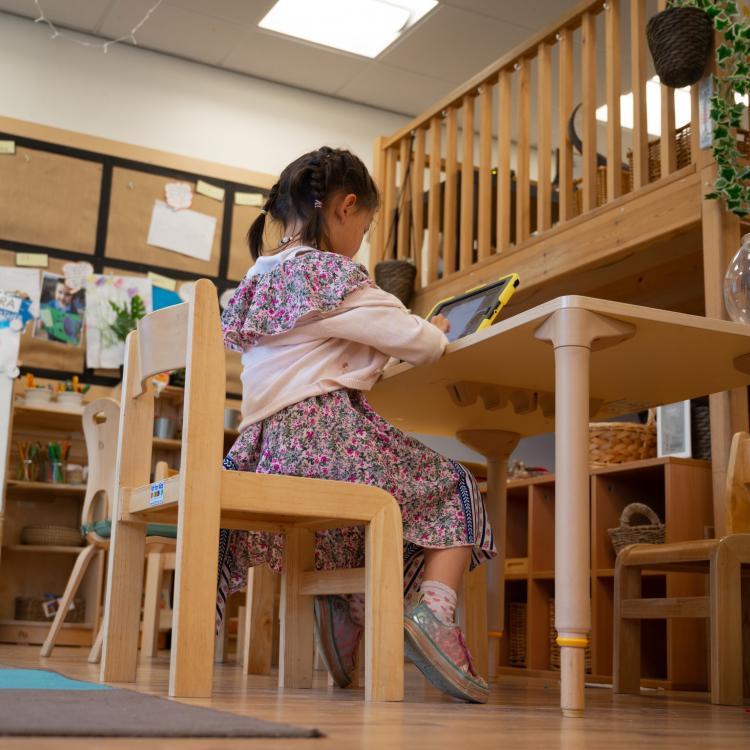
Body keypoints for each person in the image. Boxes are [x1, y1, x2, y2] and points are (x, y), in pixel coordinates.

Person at [218, 146, 494, 703]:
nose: (360, 243)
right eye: (364, 228)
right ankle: (434, 615)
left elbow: (328, 351)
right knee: (454, 487)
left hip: (267, 451)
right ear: (345, 208)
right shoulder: (330, 274)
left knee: (368, 501)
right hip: (323, 438)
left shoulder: (258, 282)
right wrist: (434, 328)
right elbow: (419, 343)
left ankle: (351, 611)